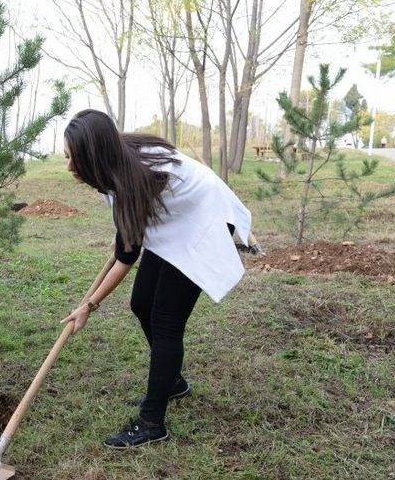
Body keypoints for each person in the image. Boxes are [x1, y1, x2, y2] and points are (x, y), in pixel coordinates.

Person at [60, 109, 252, 448]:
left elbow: (126, 257)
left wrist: (89, 305)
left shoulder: (135, 180)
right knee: (141, 302)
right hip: (176, 217)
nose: (69, 166)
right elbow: (128, 241)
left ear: (93, 157)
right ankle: (172, 381)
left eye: (73, 159)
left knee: (166, 320)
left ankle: (152, 422)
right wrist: (126, 233)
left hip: (203, 220)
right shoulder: (118, 164)